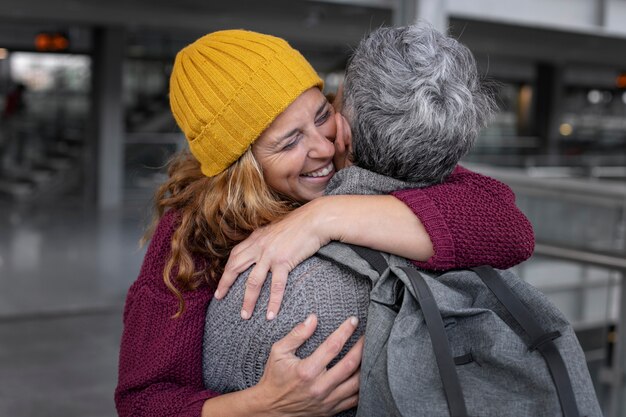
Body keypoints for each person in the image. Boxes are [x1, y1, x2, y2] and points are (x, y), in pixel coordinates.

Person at [115, 29, 534, 417]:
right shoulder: (190, 236)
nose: (323, 146)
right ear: (241, 166)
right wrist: (262, 405)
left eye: (320, 116)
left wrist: (323, 218)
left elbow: (507, 228)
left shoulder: (354, 157)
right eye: (289, 141)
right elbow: (141, 400)